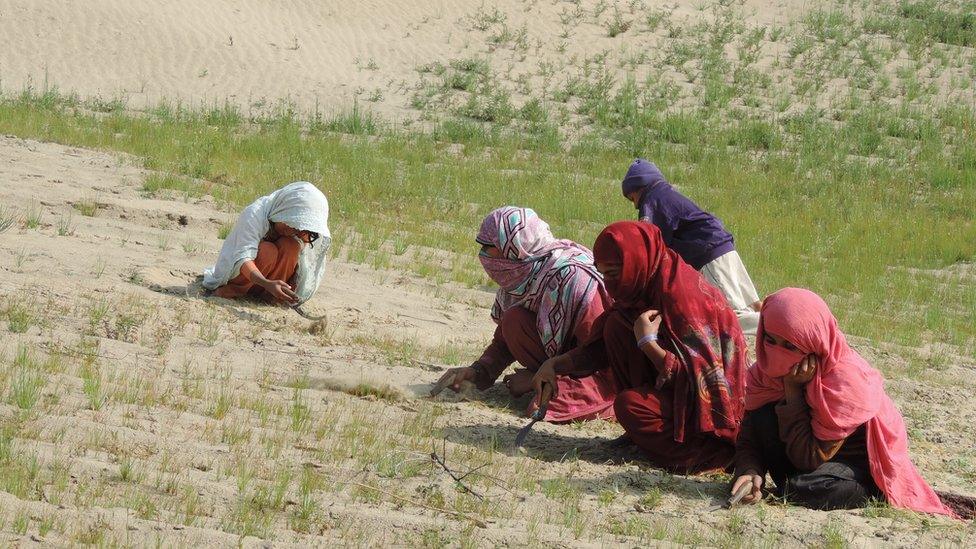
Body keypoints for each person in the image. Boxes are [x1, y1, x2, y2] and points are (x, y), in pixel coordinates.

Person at [730, 288, 972, 518]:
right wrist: (750, 471)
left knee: (805, 489)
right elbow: (751, 433)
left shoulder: (845, 382)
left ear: (814, 343)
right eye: (770, 340)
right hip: (801, 455)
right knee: (768, 430)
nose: (776, 352)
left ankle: (873, 491)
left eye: (791, 346)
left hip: (852, 464)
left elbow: (809, 458)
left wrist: (792, 390)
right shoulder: (764, 374)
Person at [533, 221, 748, 473]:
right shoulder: (640, 289)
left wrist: (648, 344)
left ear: (636, 264)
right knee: (615, 325)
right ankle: (643, 436)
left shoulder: (683, 300)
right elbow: (597, 349)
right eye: (603, 274)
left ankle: (707, 456)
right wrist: (554, 365)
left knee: (629, 406)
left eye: (613, 274)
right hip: (673, 392)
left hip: (709, 414)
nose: (609, 284)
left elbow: (705, 383)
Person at [436, 206, 617, 422]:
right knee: (513, 319)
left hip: (606, 373)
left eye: (487, 246)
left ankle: (610, 404)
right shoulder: (523, 276)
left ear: (513, 247)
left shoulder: (575, 281)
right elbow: (506, 336)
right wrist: (478, 371)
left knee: (542, 407)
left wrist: (535, 380)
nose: (483, 254)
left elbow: (603, 356)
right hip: (566, 364)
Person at [621, 158, 761, 335]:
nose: (635, 205)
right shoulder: (668, 194)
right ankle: (772, 318)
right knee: (754, 305)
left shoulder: (651, 200)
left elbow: (648, 241)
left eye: (632, 198)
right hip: (725, 249)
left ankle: (775, 326)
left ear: (638, 187)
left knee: (730, 316)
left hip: (708, 255)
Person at [202, 182, 331, 305]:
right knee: (268, 250)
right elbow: (243, 258)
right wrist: (266, 283)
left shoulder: (300, 233)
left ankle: (272, 297)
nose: (295, 231)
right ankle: (235, 290)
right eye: (292, 225)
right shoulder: (254, 214)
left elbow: (303, 264)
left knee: (291, 246)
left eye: (300, 229)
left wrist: (291, 288)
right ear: (283, 211)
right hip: (243, 276)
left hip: (270, 287)